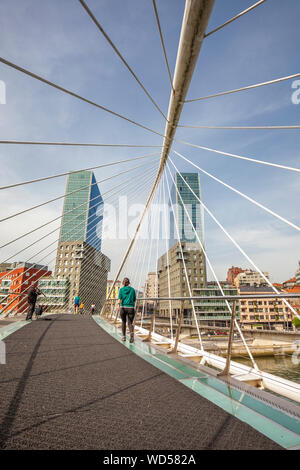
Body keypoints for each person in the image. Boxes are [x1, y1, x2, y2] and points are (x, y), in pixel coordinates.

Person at [118, 277, 136, 343]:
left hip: (123, 307)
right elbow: (134, 299)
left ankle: (123, 337)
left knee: (123, 322)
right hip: (131, 308)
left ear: (123, 283)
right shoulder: (133, 290)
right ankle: (131, 333)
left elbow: (119, 299)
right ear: (129, 283)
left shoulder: (121, 290)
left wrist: (118, 306)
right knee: (130, 323)